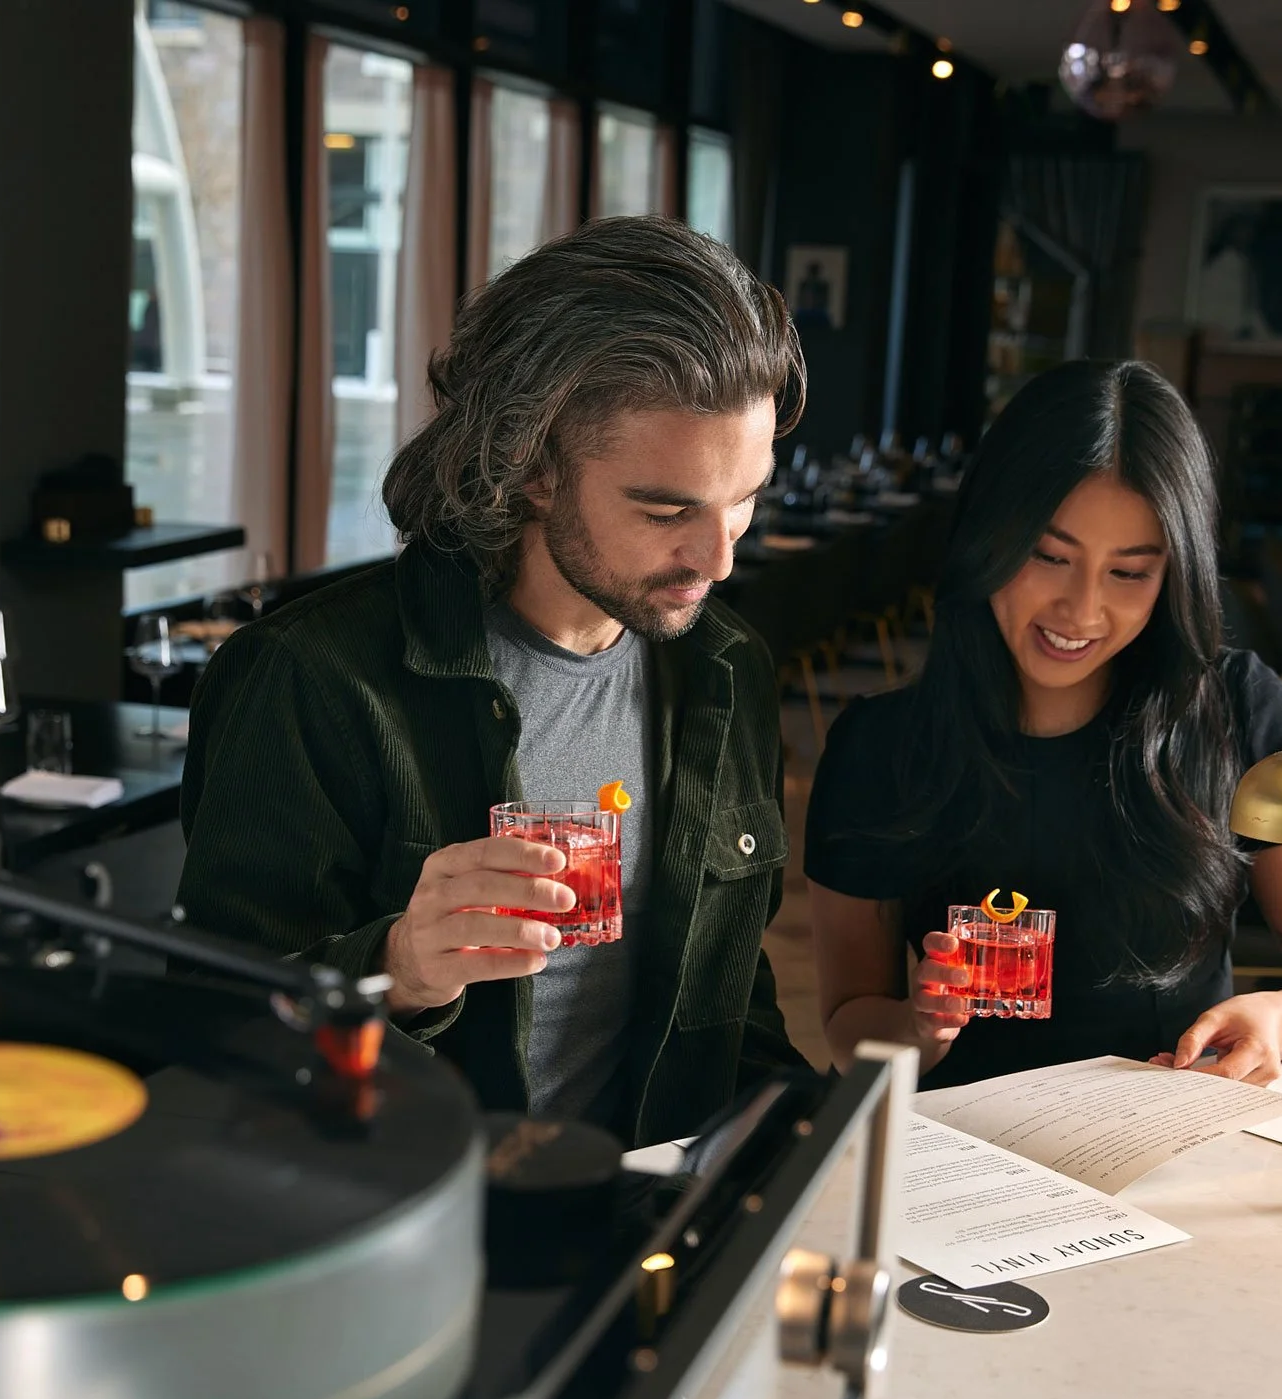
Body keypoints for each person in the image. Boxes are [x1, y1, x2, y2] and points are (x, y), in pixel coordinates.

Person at [178, 215, 811, 1144]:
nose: (717, 558)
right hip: (411, 1220)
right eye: (667, 508)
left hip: (647, 1223)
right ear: (534, 469)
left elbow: (728, 1001)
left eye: (746, 498)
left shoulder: (725, 668)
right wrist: (398, 965)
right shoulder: (313, 680)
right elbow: (213, 1025)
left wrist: (812, 1143)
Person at [805, 360, 1282, 1089]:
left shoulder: (1240, 712)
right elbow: (848, 1019)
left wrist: (1278, 1017)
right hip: (958, 1163)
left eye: (1129, 572)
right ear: (991, 534)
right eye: (1050, 556)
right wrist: (917, 1030)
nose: (1081, 611)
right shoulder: (880, 749)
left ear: (1174, 574)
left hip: (1168, 1149)